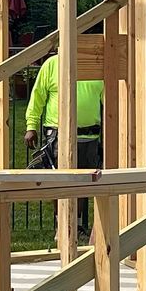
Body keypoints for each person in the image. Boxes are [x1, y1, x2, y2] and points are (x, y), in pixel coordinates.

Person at [23, 52, 106, 237]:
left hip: (90, 135)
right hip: (59, 134)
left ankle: (74, 225)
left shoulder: (96, 64)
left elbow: (110, 99)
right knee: (60, 179)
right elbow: (37, 96)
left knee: (85, 181)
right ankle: (61, 225)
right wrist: (31, 126)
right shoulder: (53, 64)